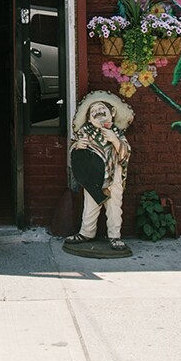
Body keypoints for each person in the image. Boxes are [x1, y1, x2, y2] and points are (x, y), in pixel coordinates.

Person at [64, 89, 133, 255]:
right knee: (91, 205)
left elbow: (126, 151)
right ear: (89, 118)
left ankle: (114, 235)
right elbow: (75, 151)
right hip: (93, 175)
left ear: (112, 112)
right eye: (93, 111)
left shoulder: (116, 133)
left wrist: (115, 140)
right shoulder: (85, 133)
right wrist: (78, 146)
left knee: (114, 205)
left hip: (113, 175)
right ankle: (86, 232)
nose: (98, 112)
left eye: (102, 109)